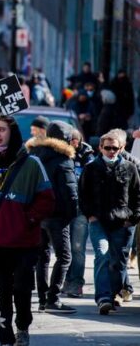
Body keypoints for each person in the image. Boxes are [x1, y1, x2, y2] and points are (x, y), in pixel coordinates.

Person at [0, 115, 55, 346]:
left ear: (12, 132)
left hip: (24, 244)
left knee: (21, 290)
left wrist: (27, 218)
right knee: (0, 295)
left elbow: (47, 200)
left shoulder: (32, 164)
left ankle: (22, 326)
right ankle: (6, 340)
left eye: (2, 129)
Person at [79, 129, 140, 315]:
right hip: (98, 221)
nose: (111, 151)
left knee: (118, 261)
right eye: (107, 148)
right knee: (102, 254)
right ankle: (103, 298)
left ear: (121, 148)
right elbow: (82, 195)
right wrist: (89, 214)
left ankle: (115, 294)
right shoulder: (91, 169)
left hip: (122, 222)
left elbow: (137, 196)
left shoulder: (130, 168)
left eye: (115, 148)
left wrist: (132, 219)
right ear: (100, 147)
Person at [25, 121, 79, 314]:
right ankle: (53, 299)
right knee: (64, 257)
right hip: (57, 215)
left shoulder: (33, 155)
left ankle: (42, 299)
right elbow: (70, 191)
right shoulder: (63, 158)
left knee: (42, 257)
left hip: (38, 214)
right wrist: (72, 214)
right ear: (65, 139)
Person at [63, 129, 96, 298]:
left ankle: (76, 283)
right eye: (71, 140)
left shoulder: (88, 157)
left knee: (78, 248)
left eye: (76, 140)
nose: (74, 143)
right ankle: (65, 280)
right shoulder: (60, 155)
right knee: (64, 248)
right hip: (64, 209)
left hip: (81, 209)